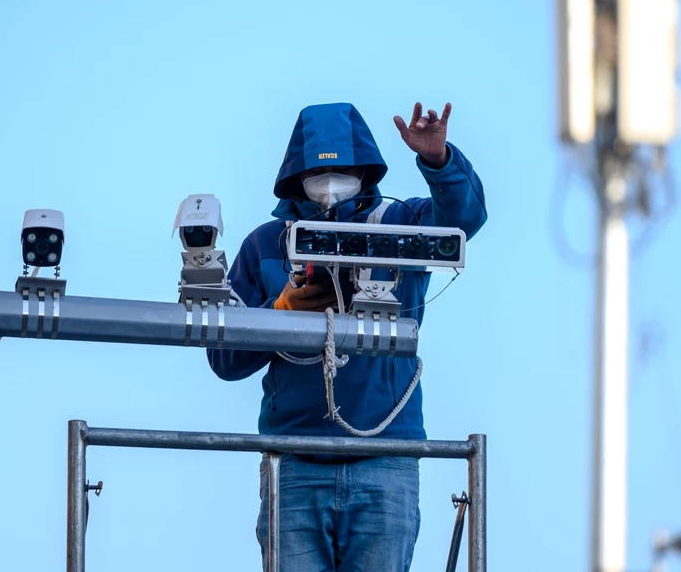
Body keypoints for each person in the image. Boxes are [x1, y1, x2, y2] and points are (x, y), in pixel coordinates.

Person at [207, 101, 487, 571]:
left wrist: (439, 161)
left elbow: (464, 220)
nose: (330, 183)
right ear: (296, 176)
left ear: (365, 171)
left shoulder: (400, 227)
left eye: (343, 171)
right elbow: (224, 358)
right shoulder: (264, 245)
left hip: (386, 459)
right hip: (294, 463)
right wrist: (280, 314)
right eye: (316, 172)